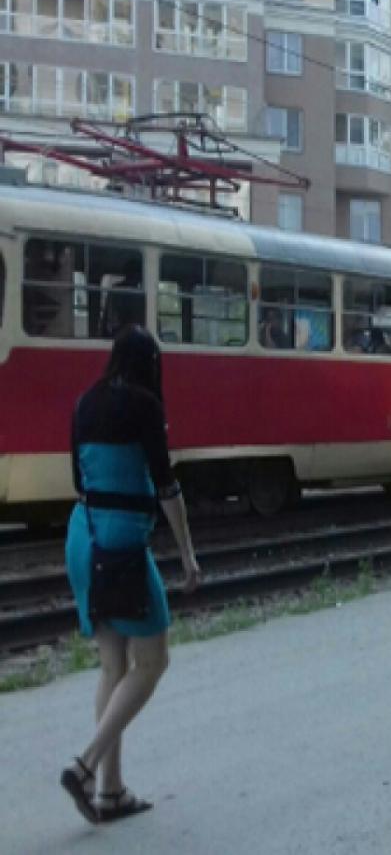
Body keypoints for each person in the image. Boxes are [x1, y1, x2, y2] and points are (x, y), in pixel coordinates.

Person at [60, 327, 201, 824]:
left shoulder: (83, 403)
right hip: (121, 546)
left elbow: (78, 478)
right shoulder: (145, 406)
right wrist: (187, 556)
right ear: (151, 366)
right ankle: (85, 766)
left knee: (113, 667)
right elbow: (166, 486)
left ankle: (111, 793)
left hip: (83, 535)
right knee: (153, 660)